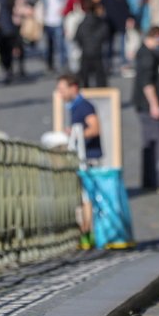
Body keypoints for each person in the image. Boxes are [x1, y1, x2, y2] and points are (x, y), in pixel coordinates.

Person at [57, 74, 101, 248]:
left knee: (87, 198)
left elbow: (95, 128)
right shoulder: (75, 107)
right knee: (83, 198)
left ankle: (87, 234)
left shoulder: (84, 106)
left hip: (88, 158)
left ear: (73, 87)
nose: (60, 93)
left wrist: (76, 135)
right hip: (83, 157)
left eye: (62, 89)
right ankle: (86, 233)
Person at [133, 26, 159, 191]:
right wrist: (154, 104)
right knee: (155, 140)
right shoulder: (148, 56)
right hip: (146, 104)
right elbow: (147, 83)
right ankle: (156, 180)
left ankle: (149, 180)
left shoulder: (143, 52)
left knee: (148, 141)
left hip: (141, 103)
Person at [74, 0, 110, 88]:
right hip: (98, 53)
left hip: (85, 53)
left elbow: (77, 38)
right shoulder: (101, 23)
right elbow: (106, 36)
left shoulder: (82, 24)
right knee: (100, 77)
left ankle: (84, 96)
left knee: (84, 78)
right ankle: (102, 96)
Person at [41, 0, 72, 72]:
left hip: (58, 20)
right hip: (48, 20)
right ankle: (49, 63)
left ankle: (63, 63)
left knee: (60, 43)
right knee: (49, 45)